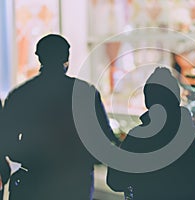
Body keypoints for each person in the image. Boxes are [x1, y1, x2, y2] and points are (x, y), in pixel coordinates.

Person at [1, 34, 118, 200]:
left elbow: (6, 143)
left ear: (39, 57)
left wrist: (34, 158)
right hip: (76, 183)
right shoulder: (85, 93)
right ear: (66, 58)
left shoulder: (20, 94)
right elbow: (104, 140)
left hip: (34, 180)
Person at [107, 67, 195, 200]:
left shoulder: (137, 138)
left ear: (148, 101)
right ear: (176, 98)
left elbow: (116, 181)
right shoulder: (193, 137)